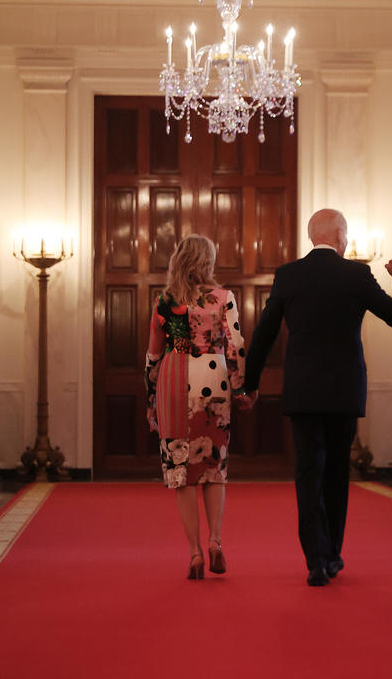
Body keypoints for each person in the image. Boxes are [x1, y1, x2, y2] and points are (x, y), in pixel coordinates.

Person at [242, 209, 392, 586]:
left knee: (308, 472)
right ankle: (333, 554)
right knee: (336, 472)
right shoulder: (356, 274)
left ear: (311, 237)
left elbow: (264, 335)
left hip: (303, 392)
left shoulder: (288, 275)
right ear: (340, 236)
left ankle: (316, 560)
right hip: (344, 391)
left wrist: (249, 384)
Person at [145, 235, 245, 579]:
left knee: (181, 471)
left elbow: (153, 355)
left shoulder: (165, 301)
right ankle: (215, 540)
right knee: (214, 467)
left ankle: (194, 554)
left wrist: (150, 399)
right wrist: (241, 387)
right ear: (208, 262)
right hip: (212, 377)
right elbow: (235, 348)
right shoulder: (222, 298)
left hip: (173, 378)